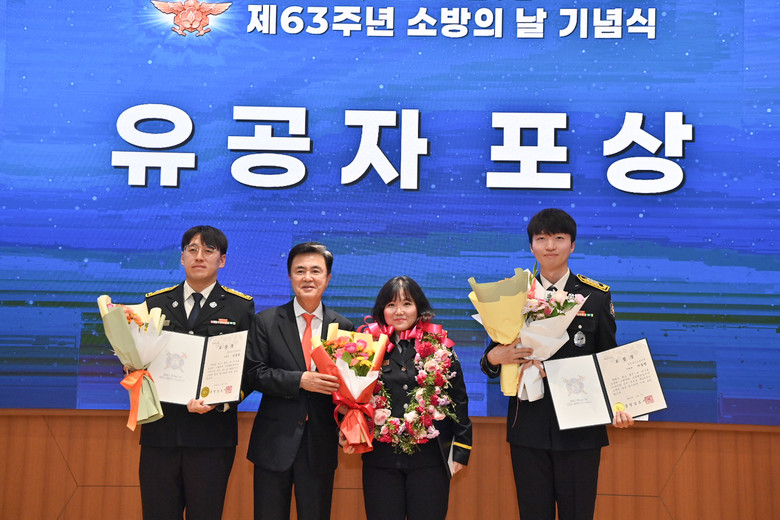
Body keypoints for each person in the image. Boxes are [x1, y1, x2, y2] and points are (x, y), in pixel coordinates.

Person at [480, 208, 634, 520]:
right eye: (541, 238)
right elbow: (490, 359)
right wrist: (495, 358)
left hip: (581, 426)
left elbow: (609, 357)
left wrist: (621, 405)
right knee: (532, 512)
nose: (550, 246)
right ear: (531, 246)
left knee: (578, 512)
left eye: (559, 238)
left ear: (572, 245)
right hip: (528, 426)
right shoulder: (513, 295)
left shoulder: (595, 297)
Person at [140, 225, 255, 520]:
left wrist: (220, 400)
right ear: (182, 258)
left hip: (212, 436)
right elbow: (140, 357)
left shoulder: (240, 307)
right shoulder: (154, 303)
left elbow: (250, 367)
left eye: (208, 250)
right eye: (192, 250)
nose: (199, 256)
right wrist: (132, 366)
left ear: (222, 260)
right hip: (161, 432)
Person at [244, 242, 354, 520]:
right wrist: (300, 380)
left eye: (316, 271)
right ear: (290, 276)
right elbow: (254, 373)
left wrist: (350, 420)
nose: (308, 277)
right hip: (273, 441)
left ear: (328, 278)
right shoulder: (266, 321)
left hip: (320, 443)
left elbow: (349, 387)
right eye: (300, 270)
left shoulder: (343, 327)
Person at [356, 276, 472, 520]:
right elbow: (352, 397)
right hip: (381, 459)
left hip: (430, 459)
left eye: (406, 303)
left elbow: (459, 400)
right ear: (382, 310)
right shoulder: (366, 348)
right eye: (391, 305)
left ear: (419, 307)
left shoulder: (440, 347)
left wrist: (461, 450)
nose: (399, 311)